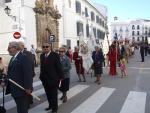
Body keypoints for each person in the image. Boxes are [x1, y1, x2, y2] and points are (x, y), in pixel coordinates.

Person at [6, 41, 33, 113]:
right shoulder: (13, 58)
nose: (7, 49)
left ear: (15, 48)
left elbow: (28, 73)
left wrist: (28, 87)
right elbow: (11, 72)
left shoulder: (23, 57)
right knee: (20, 107)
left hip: (22, 89)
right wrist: (5, 82)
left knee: (22, 109)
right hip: (15, 89)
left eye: (9, 48)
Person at [39, 42, 63, 113]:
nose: (45, 48)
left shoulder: (55, 55)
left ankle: (55, 109)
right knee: (48, 94)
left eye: (47, 47)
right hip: (45, 79)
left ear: (50, 47)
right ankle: (50, 105)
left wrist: (60, 77)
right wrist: (41, 77)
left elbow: (58, 67)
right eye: (44, 47)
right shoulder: (42, 55)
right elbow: (42, 67)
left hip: (53, 79)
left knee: (53, 95)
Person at [18, 41, 35, 106]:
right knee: (24, 88)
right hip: (21, 75)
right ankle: (29, 99)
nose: (17, 47)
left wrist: (32, 73)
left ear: (22, 46)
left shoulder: (28, 53)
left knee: (29, 87)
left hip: (28, 74)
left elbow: (31, 63)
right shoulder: (17, 53)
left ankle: (28, 102)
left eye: (18, 45)